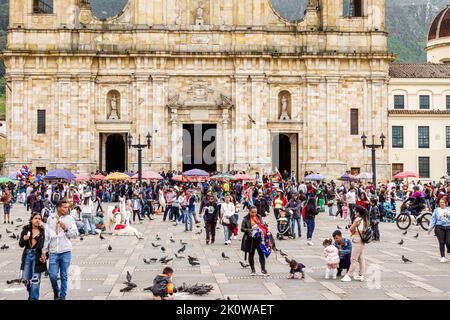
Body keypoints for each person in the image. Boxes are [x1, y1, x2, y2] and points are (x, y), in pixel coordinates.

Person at [42, 199, 79, 300]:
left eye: (67, 207)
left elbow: (75, 234)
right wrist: (44, 251)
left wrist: (66, 229)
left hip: (65, 251)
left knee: (64, 276)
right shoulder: (50, 218)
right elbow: (47, 236)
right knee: (52, 275)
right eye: (65, 207)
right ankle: (56, 290)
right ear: (58, 208)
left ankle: (62, 297)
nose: (67, 209)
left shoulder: (70, 219)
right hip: (53, 252)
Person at [19, 212, 47, 300]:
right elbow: (21, 244)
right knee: (25, 279)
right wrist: (23, 239)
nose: (37, 220)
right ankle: (31, 293)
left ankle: (33, 298)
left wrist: (46, 256)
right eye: (35, 218)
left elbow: (47, 246)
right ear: (31, 219)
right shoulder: (26, 229)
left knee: (35, 281)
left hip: (37, 257)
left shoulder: (43, 232)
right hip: (27, 255)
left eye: (39, 219)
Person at [240, 206, 271, 276]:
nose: (254, 214)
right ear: (249, 212)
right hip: (250, 239)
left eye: (255, 212)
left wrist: (264, 227)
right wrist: (249, 230)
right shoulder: (246, 218)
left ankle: (263, 269)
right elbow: (242, 228)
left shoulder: (259, 217)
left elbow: (262, 225)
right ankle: (253, 270)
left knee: (261, 254)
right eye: (252, 212)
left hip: (259, 238)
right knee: (251, 254)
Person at [341, 206, 369, 282]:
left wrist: (352, 230)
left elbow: (351, 228)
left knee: (353, 258)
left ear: (359, 212)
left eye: (355, 211)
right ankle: (361, 274)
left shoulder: (357, 219)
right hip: (362, 239)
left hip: (357, 239)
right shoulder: (365, 219)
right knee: (361, 257)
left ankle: (349, 275)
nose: (354, 212)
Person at [428, 198, 450, 263]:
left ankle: (449, 249)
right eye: (440, 202)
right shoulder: (436, 210)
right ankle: (442, 256)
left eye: (443, 202)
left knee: (448, 242)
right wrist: (430, 228)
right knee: (441, 242)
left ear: (446, 203)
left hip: (448, 227)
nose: (441, 203)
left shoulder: (449, 209)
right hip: (439, 227)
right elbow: (433, 220)